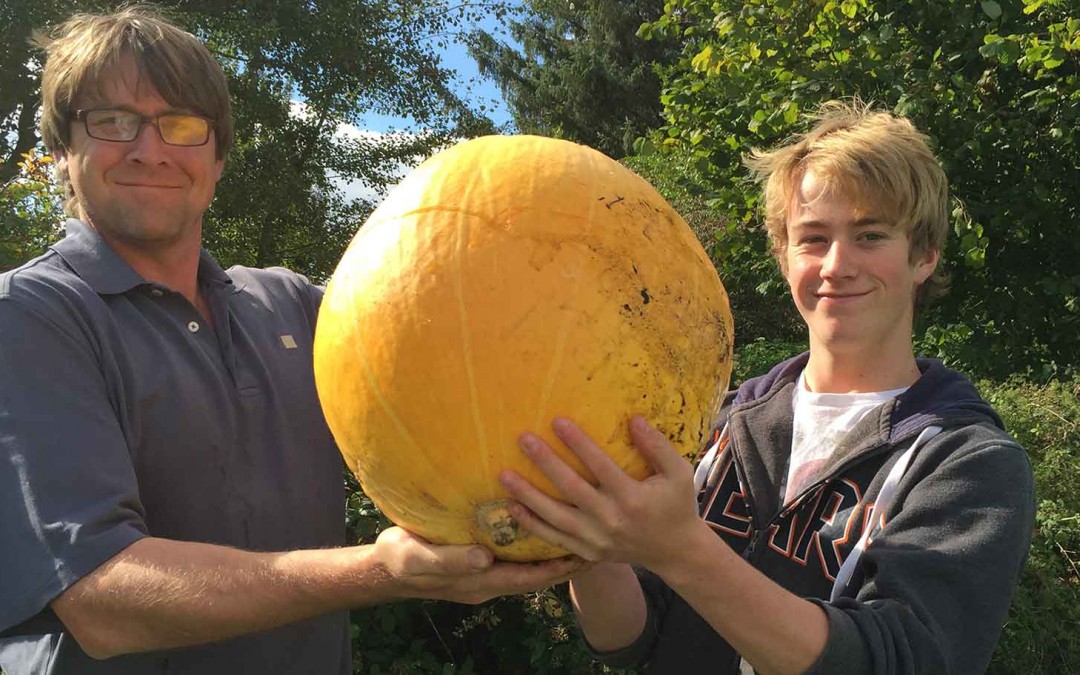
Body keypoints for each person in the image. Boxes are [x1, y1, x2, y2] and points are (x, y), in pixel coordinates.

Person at [0, 8, 581, 674]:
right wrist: (382, 570)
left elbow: (464, 356)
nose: (149, 149)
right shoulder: (30, 315)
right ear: (61, 150)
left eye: (182, 125)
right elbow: (99, 596)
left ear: (217, 160)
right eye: (111, 121)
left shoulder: (293, 305)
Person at [498, 101, 1036, 673]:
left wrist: (683, 550)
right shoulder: (716, 420)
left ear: (924, 256)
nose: (836, 265)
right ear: (783, 255)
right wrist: (588, 544)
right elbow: (632, 639)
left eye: (871, 235)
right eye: (812, 238)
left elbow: (903, 660)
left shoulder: (969, 463)